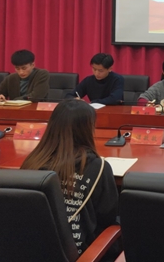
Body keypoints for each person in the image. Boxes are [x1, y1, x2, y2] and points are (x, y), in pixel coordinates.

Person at [21, 99, 118, 256]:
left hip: (30, 252)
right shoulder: (98, 167)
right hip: (79, 255)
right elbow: (108, 218)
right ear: (87, 129)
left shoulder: (32, 162)